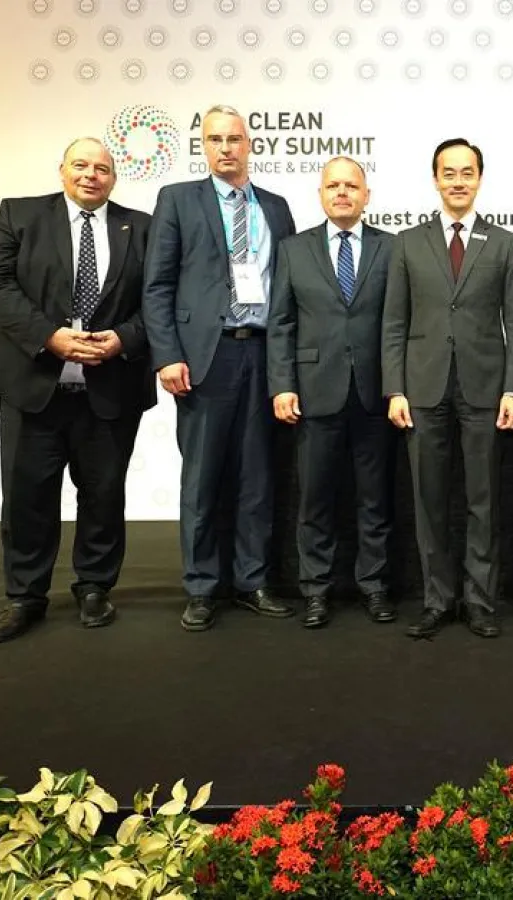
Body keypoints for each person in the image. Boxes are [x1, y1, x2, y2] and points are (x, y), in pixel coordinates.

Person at [0, 137, 154, 642]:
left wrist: (124, 340)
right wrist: (48, 337)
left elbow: (160, 298)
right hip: (33, 384)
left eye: (102, 168)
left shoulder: (142, 227)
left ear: (113, 177)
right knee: (27, 495)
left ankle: (95, 587)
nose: (91, 175)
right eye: (81, 165)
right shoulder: (18, 215)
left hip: (111, 385)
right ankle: (24, 596)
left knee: (102, 494)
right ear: (62, 171)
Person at [144, 104, 297, 631]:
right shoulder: (178, 200)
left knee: (257, 477)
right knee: (204, 477)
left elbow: (290, 293)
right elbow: (157, 285)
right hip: (205, 357)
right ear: (203, 147)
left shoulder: (276, 209)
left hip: (263, 353)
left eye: (234, 138)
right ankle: (203, 586)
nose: (225, 147)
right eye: (214, 139)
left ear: (250, 143)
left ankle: (252, 580)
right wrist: (167, 353)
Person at [381, 138, 513, 639]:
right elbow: (394, 323)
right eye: (449, 172)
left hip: (485, 390)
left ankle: (480, 602)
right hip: (422, 389)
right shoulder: (407, 243)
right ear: (435, 178)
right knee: (429, 499)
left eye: (467, 172)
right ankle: (437, 600)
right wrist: (394, 389)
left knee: (483, 500)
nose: (458, 181)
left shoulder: (505, 244)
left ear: (480, 179)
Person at [267, 157, 396, 628]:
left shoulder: (391, 248)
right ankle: (315, 590)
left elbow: (399, 323)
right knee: (315, 500)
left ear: (367, 195)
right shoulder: (292, 250)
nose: (343, 193)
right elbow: (280, 323)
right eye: (333, 186)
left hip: (374, 394)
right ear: (321, 194)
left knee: (374, 500)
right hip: (314, 393)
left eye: (352, 186)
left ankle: (375, 586)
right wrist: (281, 384)